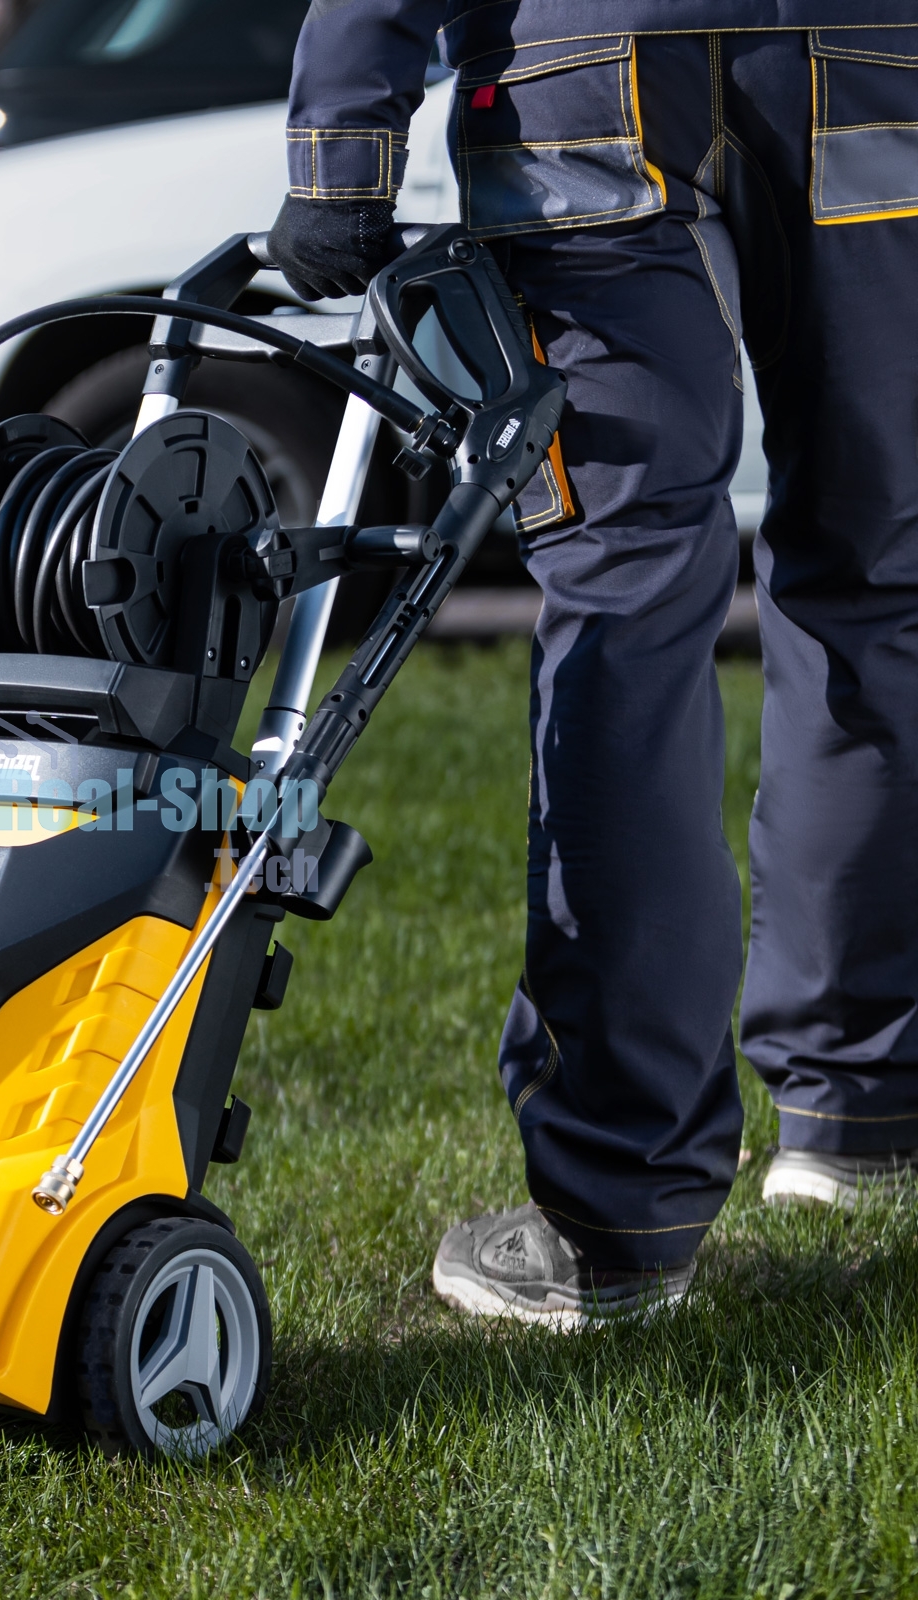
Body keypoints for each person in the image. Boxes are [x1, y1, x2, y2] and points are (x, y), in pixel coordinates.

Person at [266, 1, 918, 1326]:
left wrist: (341, 156)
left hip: (588, 75)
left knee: (628, 608)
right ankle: (857, 1111)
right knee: (879, 575)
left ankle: (624, 1212)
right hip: (871, 63)